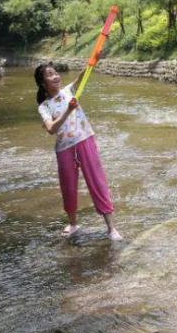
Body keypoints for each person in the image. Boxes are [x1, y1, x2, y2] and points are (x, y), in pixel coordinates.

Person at [34, 63, 122, 241]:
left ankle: (111, 228)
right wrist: (69, 110)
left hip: (85, 140)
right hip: (64, 148)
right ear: (43, 83)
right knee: (68, 187)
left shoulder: (68, 90)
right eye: (50, 75)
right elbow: (51, 128)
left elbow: (83, 76)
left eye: (56, 73)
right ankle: (73, 224)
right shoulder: (44, 106)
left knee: (97, 181)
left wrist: (93, 61)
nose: (56, 76)